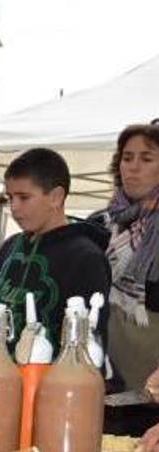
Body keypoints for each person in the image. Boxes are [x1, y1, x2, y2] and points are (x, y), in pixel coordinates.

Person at [0, 148, 111, 357]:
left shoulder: (86, 257)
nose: (14, 207)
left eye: (24, 197)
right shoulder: (9, 249)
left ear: (56, 197)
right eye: (10, 197)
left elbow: (91, 341)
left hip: (56, 383)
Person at [95, 124, 159, 391]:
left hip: (152, 388)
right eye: (127, 157)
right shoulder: (101, 224)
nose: (133, 167)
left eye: (146, 159)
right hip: (105, 379)